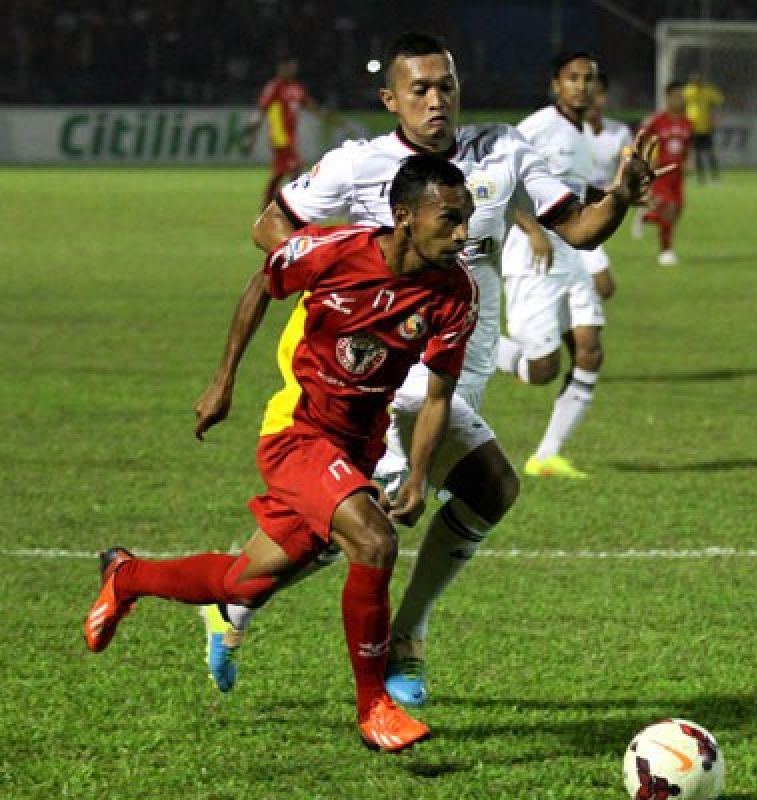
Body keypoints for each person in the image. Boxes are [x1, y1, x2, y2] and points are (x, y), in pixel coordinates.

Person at [192, 33, 660, 706]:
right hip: (386, 368)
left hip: (461, 363)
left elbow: (581, 229)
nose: (437, 100)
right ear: (392, 100)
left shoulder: (502, 149)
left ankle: (235, 602)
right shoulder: (359, 165)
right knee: (388, 508)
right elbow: (272, 228)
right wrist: (350, 277)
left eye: (447, 86)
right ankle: (399, 650)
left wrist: (621, 195)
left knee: (447, 502)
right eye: (420, 89)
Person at [85, 156, 479, 752]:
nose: (461, 234)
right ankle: (374, 705)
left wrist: (418, 477)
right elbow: (259, 286)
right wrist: (224, 381)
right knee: (374, 542)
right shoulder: (333, 251)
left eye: (466, 220)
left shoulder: (456, 293)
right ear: (404, 217)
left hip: (355, 449)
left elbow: (437, 397)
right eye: (449, 219)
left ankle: (126, 575)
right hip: (297, 435)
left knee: (243, 580)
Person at [495, 51, 607, 480]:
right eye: (572, 78)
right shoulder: (539, 126)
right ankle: (474, 346)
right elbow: (501, 177)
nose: (582, 85)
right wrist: (532, 229)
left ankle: (547, 454)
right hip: (533, 256)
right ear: (555, 84)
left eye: (589, 78)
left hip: (571, 255)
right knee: (541, 369)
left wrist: (618, 196)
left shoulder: (582, 134)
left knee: (589, 350)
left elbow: (573, 193)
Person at [580, 70, 633, 301]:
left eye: (598, 93)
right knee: (604, 286)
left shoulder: (619, 133)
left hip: (598, 215)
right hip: (569, 218)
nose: (593, 99)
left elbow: (627, 172)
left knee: (599, 289)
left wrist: (634, 186)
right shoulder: (564, 132)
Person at [246, 57, 322, 209]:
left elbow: (306, 102)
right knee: (295, 167)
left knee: (281, 171)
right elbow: (262, 108)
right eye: (288, 67)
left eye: (293, 67)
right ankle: (290, 204)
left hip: (290, 136)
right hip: (279, 135)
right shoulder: (275, 87)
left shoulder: (296, 87)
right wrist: (252, 131)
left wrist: (322, 113)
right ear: (281, 68)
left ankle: (270, 204)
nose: (291, 70)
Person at [640, 80, 693, 267]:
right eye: (676, 96)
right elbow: (641, 138)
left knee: (677, 211)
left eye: (682, 97)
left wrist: (689, 162)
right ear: (668, 98)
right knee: (669, 209)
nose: (680, 100)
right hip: (661, 172)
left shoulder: (688, 123)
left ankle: (646, 217)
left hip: (678, 175)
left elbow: (687, 147)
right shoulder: (657, 120)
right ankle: (666, 252)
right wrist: (647, 160)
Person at [683, 72, 723, 184]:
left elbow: (719, 102)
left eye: (698, 81)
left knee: (710, 153)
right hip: (692, 128)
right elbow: (681, 106)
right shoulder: (687, 91)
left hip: (706, 127)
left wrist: (715, 117)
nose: (696, 83)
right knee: (697, 154)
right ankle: (701, 178)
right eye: (694, 81)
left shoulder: (708, 91)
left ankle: (714, 178)